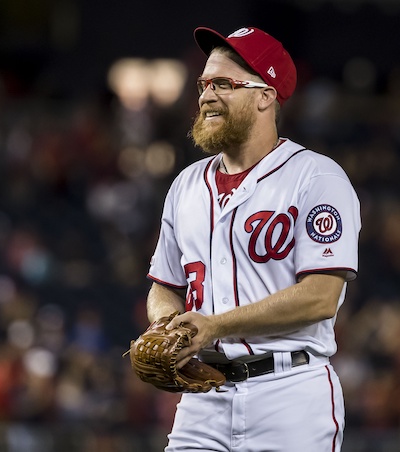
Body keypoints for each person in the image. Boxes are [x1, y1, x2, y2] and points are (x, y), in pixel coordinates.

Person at [146, 25, 361, 451]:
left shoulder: (315, 178)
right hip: (203, 397)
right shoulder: (186, 185)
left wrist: (215, 326)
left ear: (266, 94)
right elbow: (164, 287)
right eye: (204, 84)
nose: (206, 95)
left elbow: (319, 297)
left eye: (223, 84)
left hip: (290, 394)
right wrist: (167, 326)